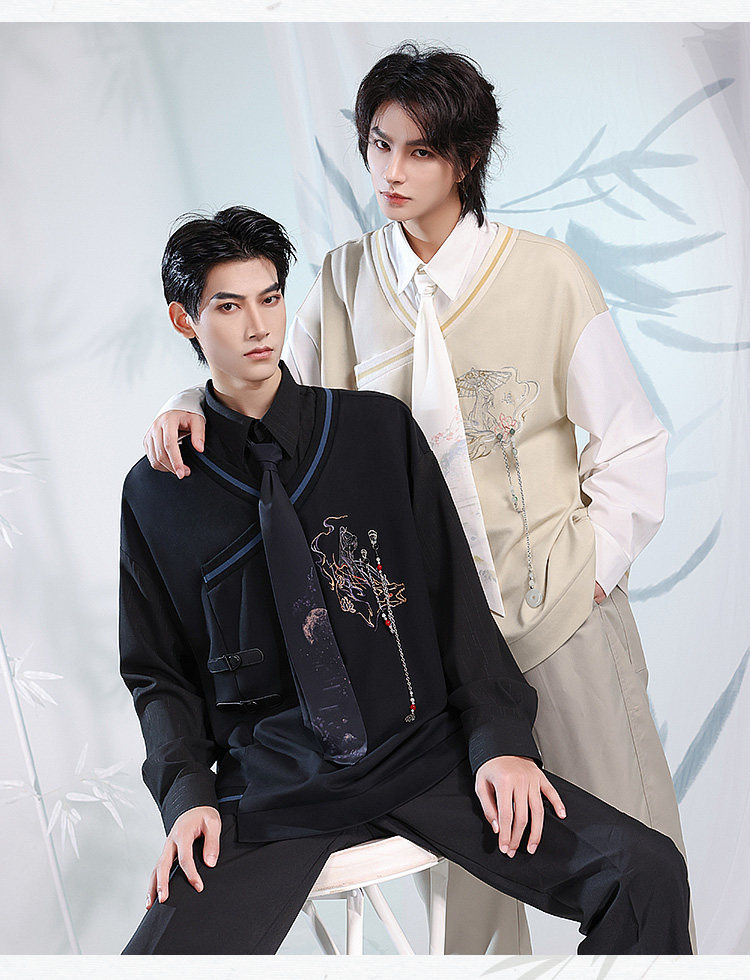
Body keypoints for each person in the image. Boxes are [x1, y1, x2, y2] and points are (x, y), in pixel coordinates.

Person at [142, 44, 696, 954]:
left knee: (634, 859)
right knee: (474, 905)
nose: (391, 172)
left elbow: (631, 442)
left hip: (553, 622)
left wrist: (588, 574)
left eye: (420, 151)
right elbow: (266, 389)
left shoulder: (548, 276)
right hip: (422, 662)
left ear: (466, 159)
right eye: (379, 145)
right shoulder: (342, 283)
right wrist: (181, 401)